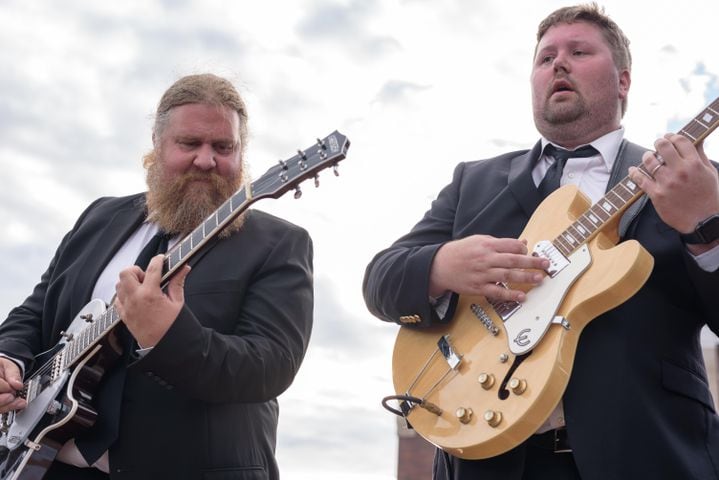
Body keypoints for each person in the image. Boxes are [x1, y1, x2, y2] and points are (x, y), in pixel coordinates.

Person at [363, 4, 719, 480]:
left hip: (645, 452)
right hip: (485, 458)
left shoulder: (693, 181)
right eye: (545, 57)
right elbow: (380, 282)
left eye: (579, 51)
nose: (559, 63)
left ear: (623, 82)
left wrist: (704, 225)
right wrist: (441, 266)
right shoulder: (474, 181)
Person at [0, 73, 314, 479]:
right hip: (46, 464)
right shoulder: (99, 217)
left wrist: (168, 335)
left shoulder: (279, 243)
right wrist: (8, 355)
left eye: (223, 147)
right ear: (157, 143)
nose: (206, 160)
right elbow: (39, 308)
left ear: (241, 153)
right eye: (189, 144)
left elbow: (270, 367)